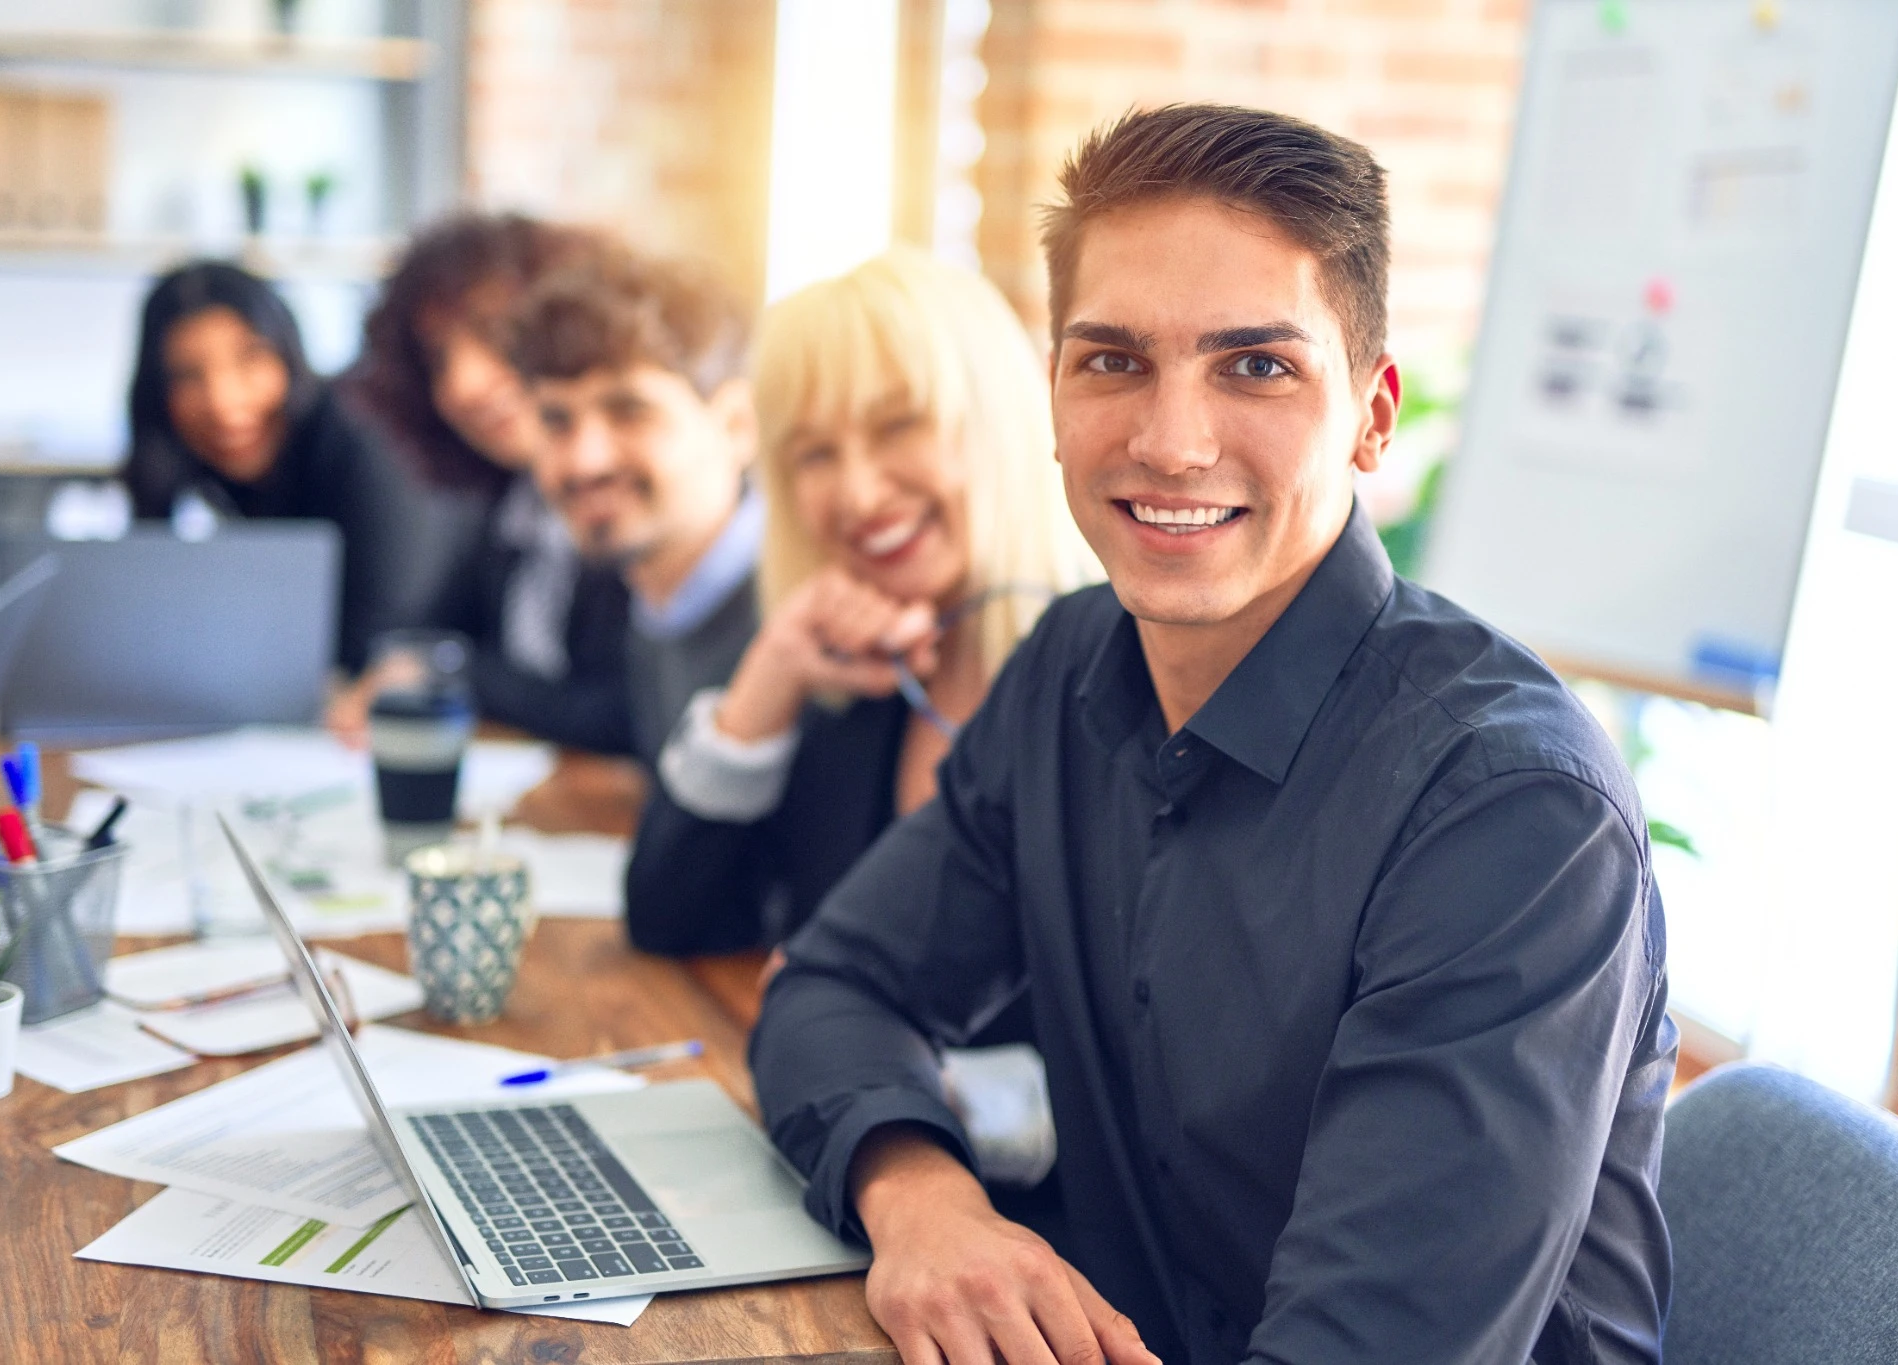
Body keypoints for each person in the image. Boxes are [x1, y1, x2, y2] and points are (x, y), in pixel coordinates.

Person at [750, 104, 1676, 1365]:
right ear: (1054, 397)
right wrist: (924, 1203)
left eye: (1256, 367)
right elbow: (833, 987)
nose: (1170, 443)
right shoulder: (1069, 665)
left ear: (1371, 416)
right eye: (1112, 361)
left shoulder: (1512, 807)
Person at [624, 247, 1097, 958]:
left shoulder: (1118, 675)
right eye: (814, 453)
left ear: (999, 418)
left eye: (898, 425)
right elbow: (671, 921)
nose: (859, 494)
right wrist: (767, 679)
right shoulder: (857, 678)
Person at [337, 214, 633, 753]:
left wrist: (455, 673)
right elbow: (431, 638)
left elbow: (626, 714)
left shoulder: (634, 503)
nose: (462, 385)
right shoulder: (512, 503)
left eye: (493, 333)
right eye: (438, 360)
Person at [122, 260, 442, 673]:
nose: (223, 402)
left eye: (250, 359)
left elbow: (374, 642)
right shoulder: (226, 482)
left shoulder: (364, 433)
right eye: (188, 376)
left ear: (288, 355)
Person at [511, 251, 760, 761]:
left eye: (630, 412)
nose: (585, 461)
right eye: (557, 421)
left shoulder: (809, 625)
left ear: (738, 425)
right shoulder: (653, 598)